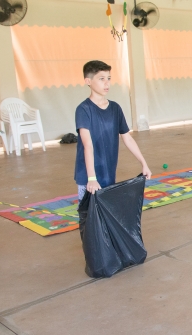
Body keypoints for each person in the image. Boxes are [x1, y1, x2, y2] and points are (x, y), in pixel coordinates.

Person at [75, 60, 152, 237]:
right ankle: (95, 257)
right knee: (89, 219)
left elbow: (127, 138)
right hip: (88, 175)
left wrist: (144, 163)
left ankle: (108, 254)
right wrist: (91, 178)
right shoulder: (84, 110)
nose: (107, 83)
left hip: (108, 172)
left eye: (108, 78)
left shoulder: (115, 108)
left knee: (106, 216)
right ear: (88, 81)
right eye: (101, 79)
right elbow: (88, 145)